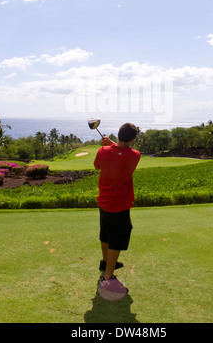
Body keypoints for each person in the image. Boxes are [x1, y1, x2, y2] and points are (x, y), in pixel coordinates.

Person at [94, 122, 141, 300]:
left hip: (104, 202)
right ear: (132, 139)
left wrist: (109, 145)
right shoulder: (135, 155)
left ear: (119, 134)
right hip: (120, 205)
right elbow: (124, 150)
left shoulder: (103, 151)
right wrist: (112, 143)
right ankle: (108, 277)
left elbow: (97, 166)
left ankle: (105, 263)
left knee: (105, 233)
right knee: (116, 239)